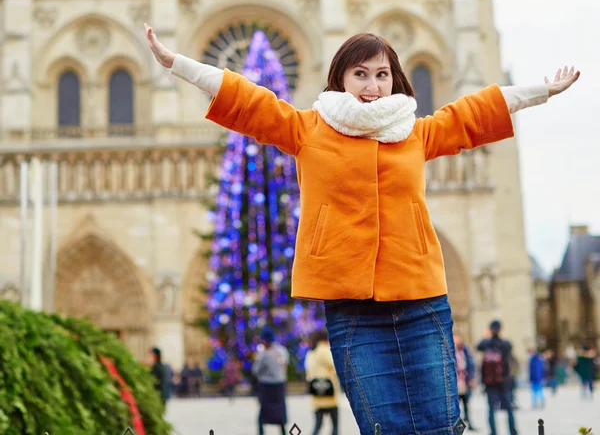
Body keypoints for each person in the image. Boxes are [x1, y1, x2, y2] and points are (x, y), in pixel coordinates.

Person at [146, 23, 580, 434]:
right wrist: (177, 64)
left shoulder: (414, 133)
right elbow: (249, 100)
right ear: (340, 79)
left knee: (440, 424)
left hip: (421, 301)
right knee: (383, 427)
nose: (372, 86)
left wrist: (541, 91)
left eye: (381, 74)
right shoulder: (307, 130)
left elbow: (471, 114)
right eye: (361, 74)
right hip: (351, 306)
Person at [477, 321, 518, 435]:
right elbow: (510, 353)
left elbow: (478, 346)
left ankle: (493, 432)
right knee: (509, 408)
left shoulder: (486, 344)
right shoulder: (505, 344)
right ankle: (513, 431)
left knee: (491, 409)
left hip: (490, 382)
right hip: (504, 380)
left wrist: (486, 336)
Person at [252, 326, 289, 435]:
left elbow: (255, 370)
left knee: (263, 415)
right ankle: (283, 432)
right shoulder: (283, 351)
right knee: (280, 412)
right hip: (280, 385)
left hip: (267, 386)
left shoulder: (264, 354)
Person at [305, 329, 340, 435]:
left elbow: (308, 370)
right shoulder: (324, 349)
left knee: (318, 424)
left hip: (316, 392)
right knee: (335, 425)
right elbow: (335, 364)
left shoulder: (311, 351)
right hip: (329, 392)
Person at [453, 332, 477, 431]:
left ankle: (469, 424)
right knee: (455, 408)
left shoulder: (465, 350)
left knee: (467, 405)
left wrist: (471, 378)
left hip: (464, 382)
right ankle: (457, 428)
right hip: (455, 383)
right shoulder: (450, 350)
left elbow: (471, 364)